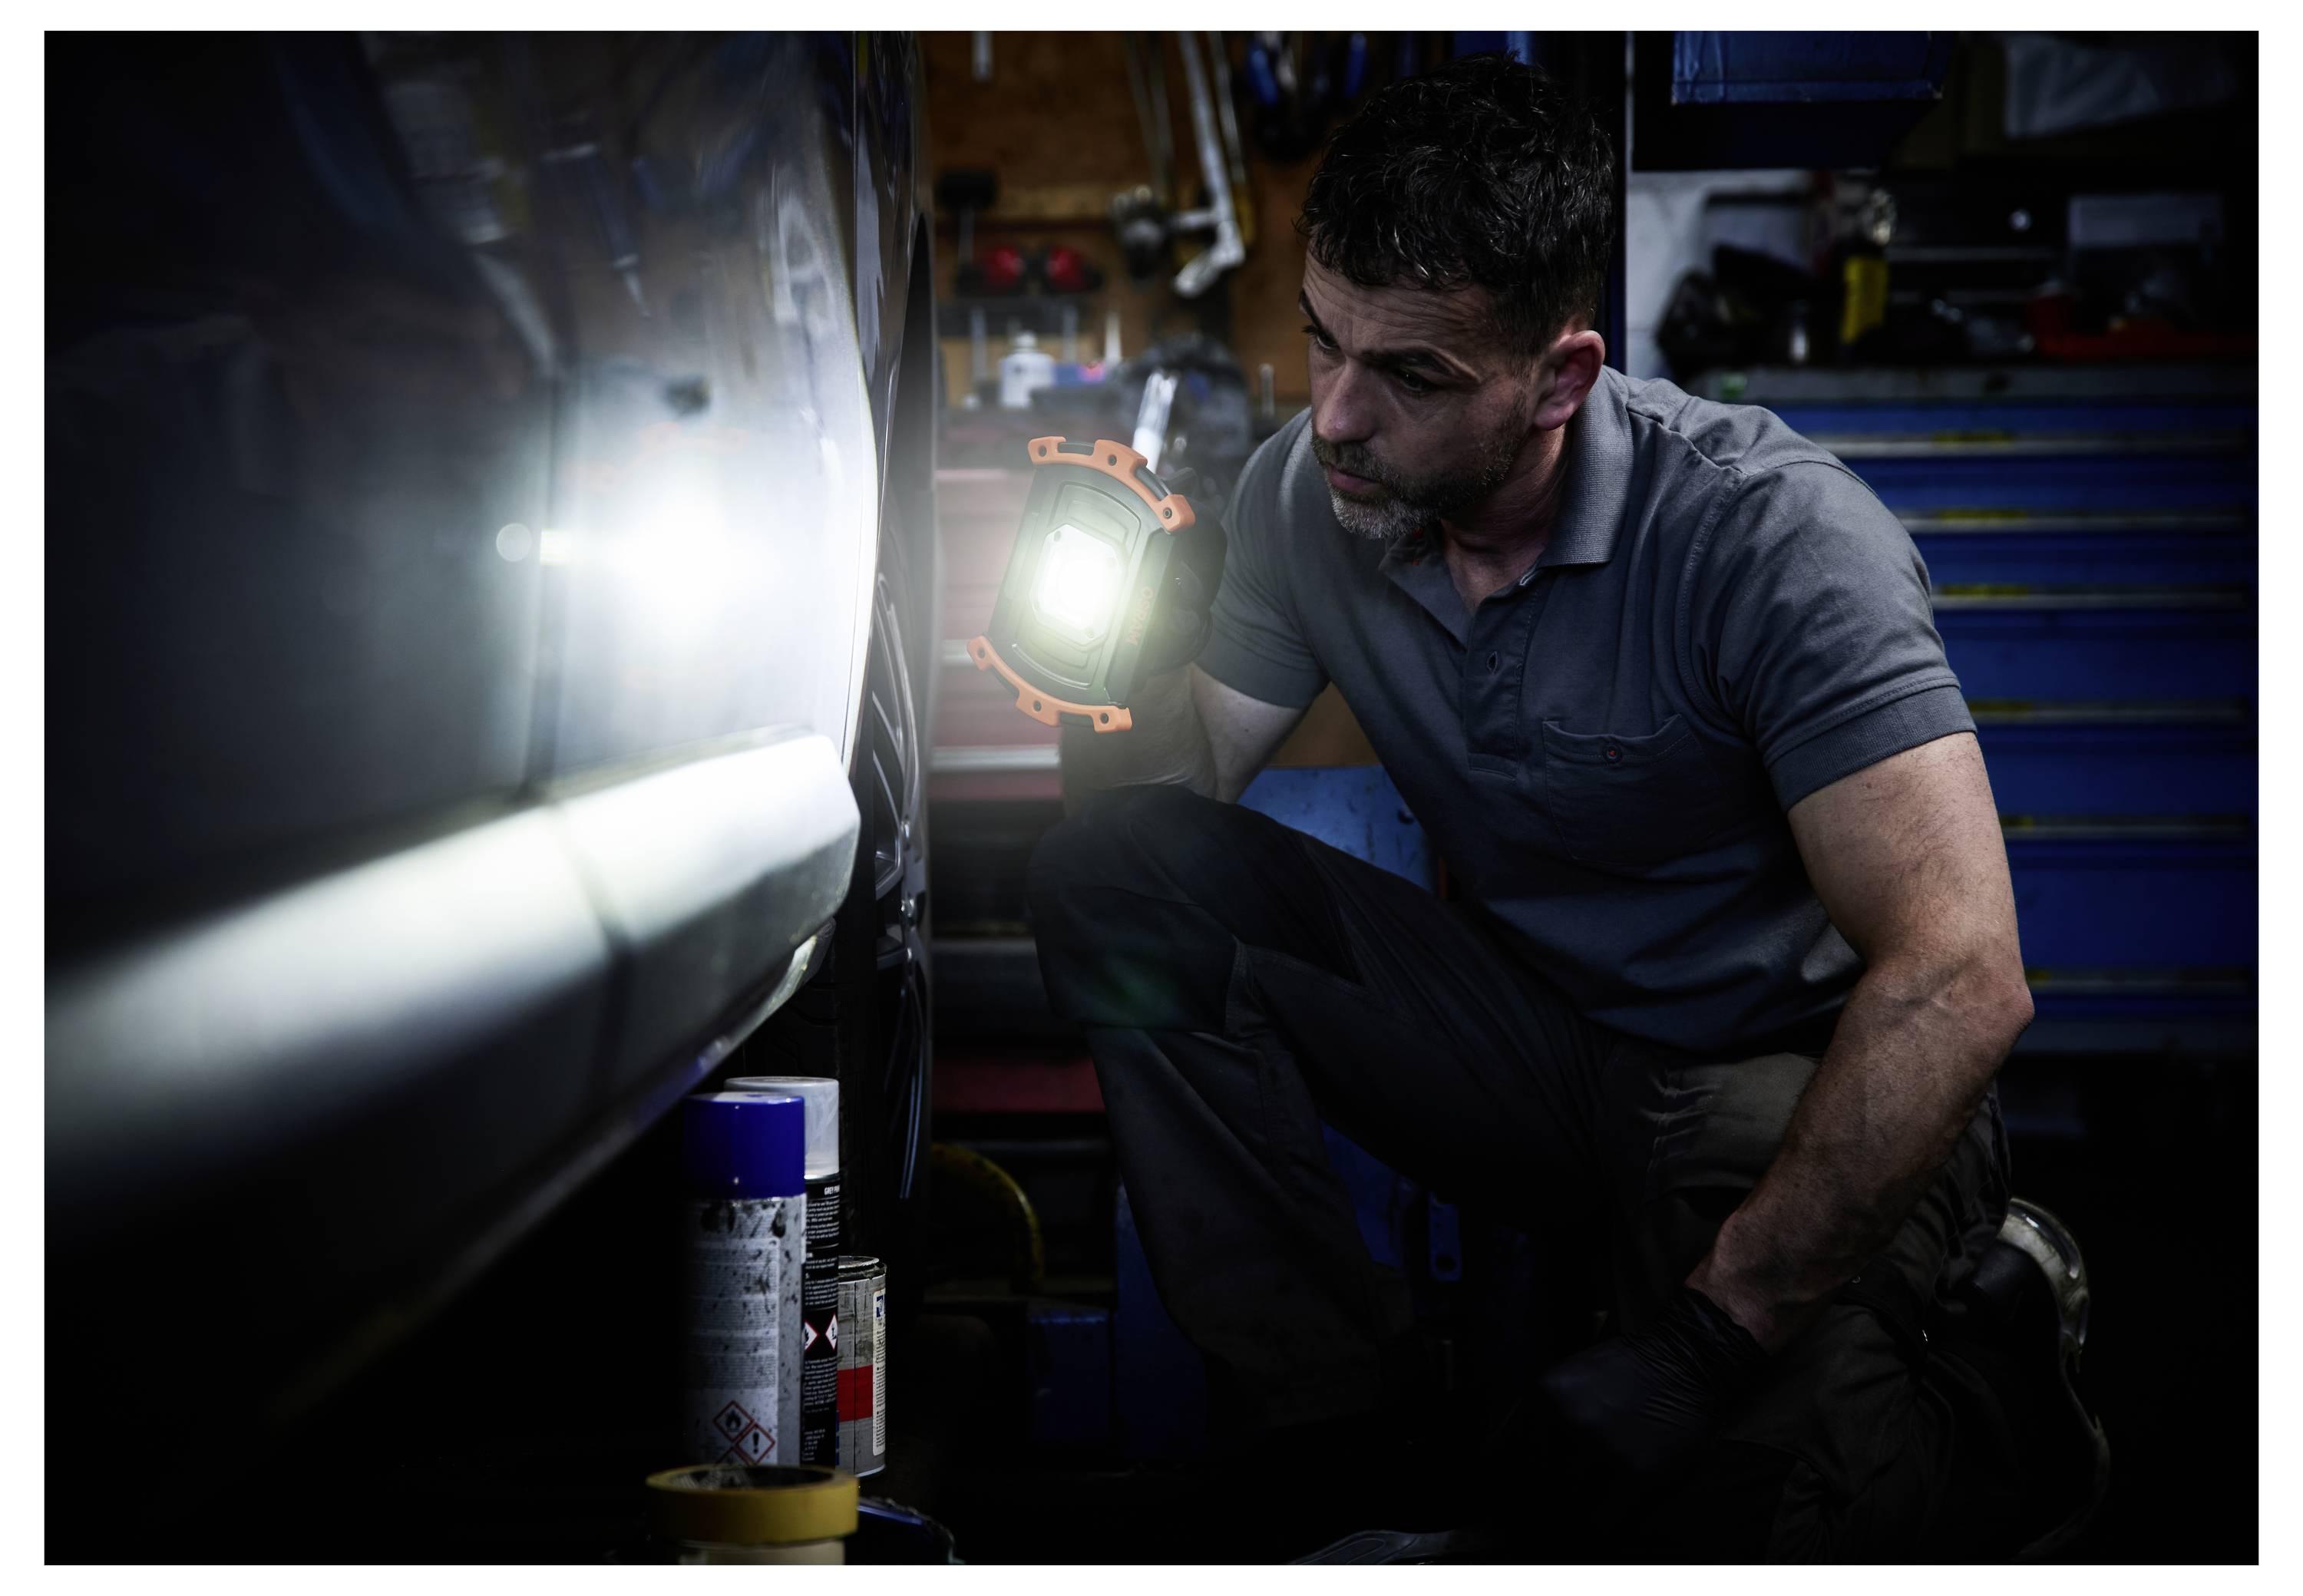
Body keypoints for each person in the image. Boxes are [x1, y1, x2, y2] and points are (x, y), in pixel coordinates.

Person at [1029, 55, 2095, 1561]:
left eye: (1408, 375)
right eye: (1322, 339)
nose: (1334, 415)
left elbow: (1966, 974)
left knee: (1752, 1530)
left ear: (1562, 376)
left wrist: (1708, 1339)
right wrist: (1111, 681)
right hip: (1536, 1041)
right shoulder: (1308, 493)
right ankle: (1339, 1418)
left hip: (1776, 1067)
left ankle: (1996, 1360)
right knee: (1118, 873)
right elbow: (1173, 807)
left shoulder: (1774, 538)